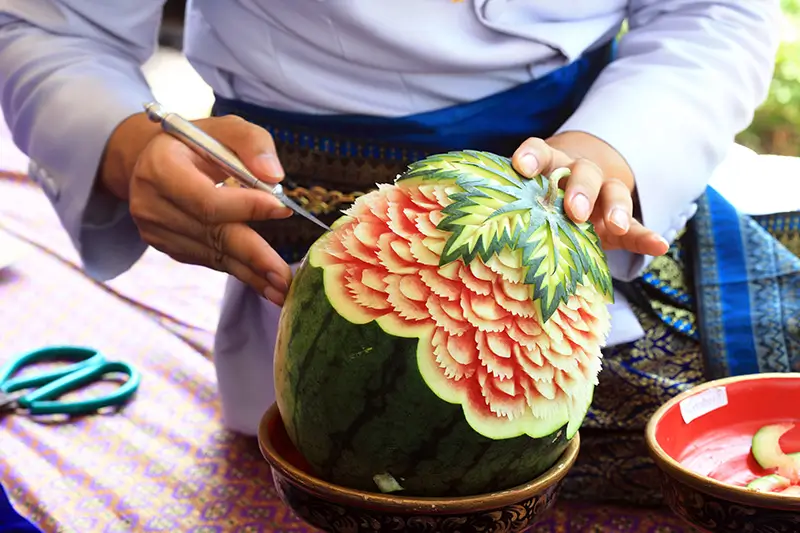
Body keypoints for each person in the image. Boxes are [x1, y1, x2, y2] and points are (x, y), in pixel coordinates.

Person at [1, 0, 795, 505]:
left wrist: (617, 148)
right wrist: (124, 142)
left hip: (592, 220)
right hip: (298, 263)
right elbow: (45, 23)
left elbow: (717, 8)